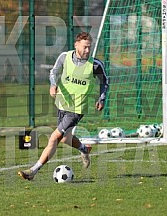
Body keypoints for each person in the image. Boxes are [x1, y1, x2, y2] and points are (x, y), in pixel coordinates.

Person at [18, 32, 109, 180]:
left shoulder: (95, 65)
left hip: (77, 109)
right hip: (61, 104)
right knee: (65, 139)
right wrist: (53, 85)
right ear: (76, 45)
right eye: (85, 47)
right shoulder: (65, 57)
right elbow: (53, 72)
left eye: (89, 48)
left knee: (53, 138)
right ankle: (84, 149)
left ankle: (33, 172)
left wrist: (102, 98)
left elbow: (105, 81)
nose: (87, 50)